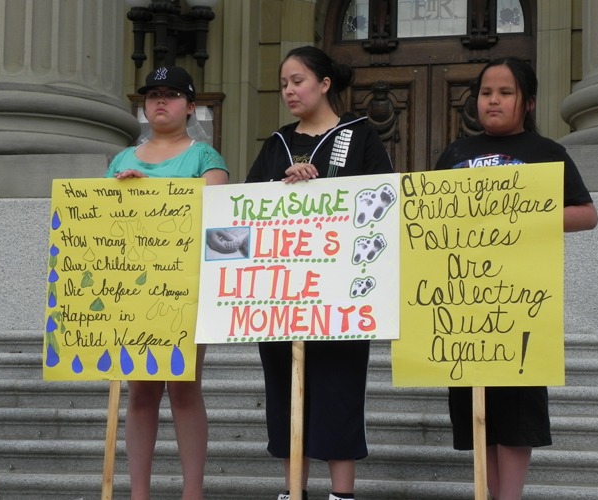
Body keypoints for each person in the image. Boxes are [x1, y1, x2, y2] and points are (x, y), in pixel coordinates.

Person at [435, 57, 598, 500]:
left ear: (527, 102)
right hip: (463, 300)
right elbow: (427, 219)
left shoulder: (548, 153)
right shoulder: (453, 154)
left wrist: (524, 212)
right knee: (477, 407)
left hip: (522, 301)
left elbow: (587, 215)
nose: (493, 100)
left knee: (517, 408)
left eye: (505, 93)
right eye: (486, 92)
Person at [246, 46, 393, 500]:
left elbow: (383, 202)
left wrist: (325, 188)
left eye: (298, 81)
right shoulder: (276, 144)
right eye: (284, 83)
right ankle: (294, 490)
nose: (289, 90)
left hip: (342, 295)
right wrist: (280, 187)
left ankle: (342, 493)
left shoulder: (360, 135)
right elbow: (244, 212)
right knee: (287, 391)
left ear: (325, 84)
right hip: (282, 295)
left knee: (338, 391)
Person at [105, 65, 228, 500]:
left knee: (183, 385)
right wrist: (122, 193)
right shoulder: (121, 159)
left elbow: (217, 217)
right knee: (139, 392)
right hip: (131, 288)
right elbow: (101, 228)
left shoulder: (205, 158)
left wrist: (151, 195)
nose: (160, 100)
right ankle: (139, 493)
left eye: (173, 94)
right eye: (153, 93)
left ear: (191, 106)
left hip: (185, 288)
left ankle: (191, 493)